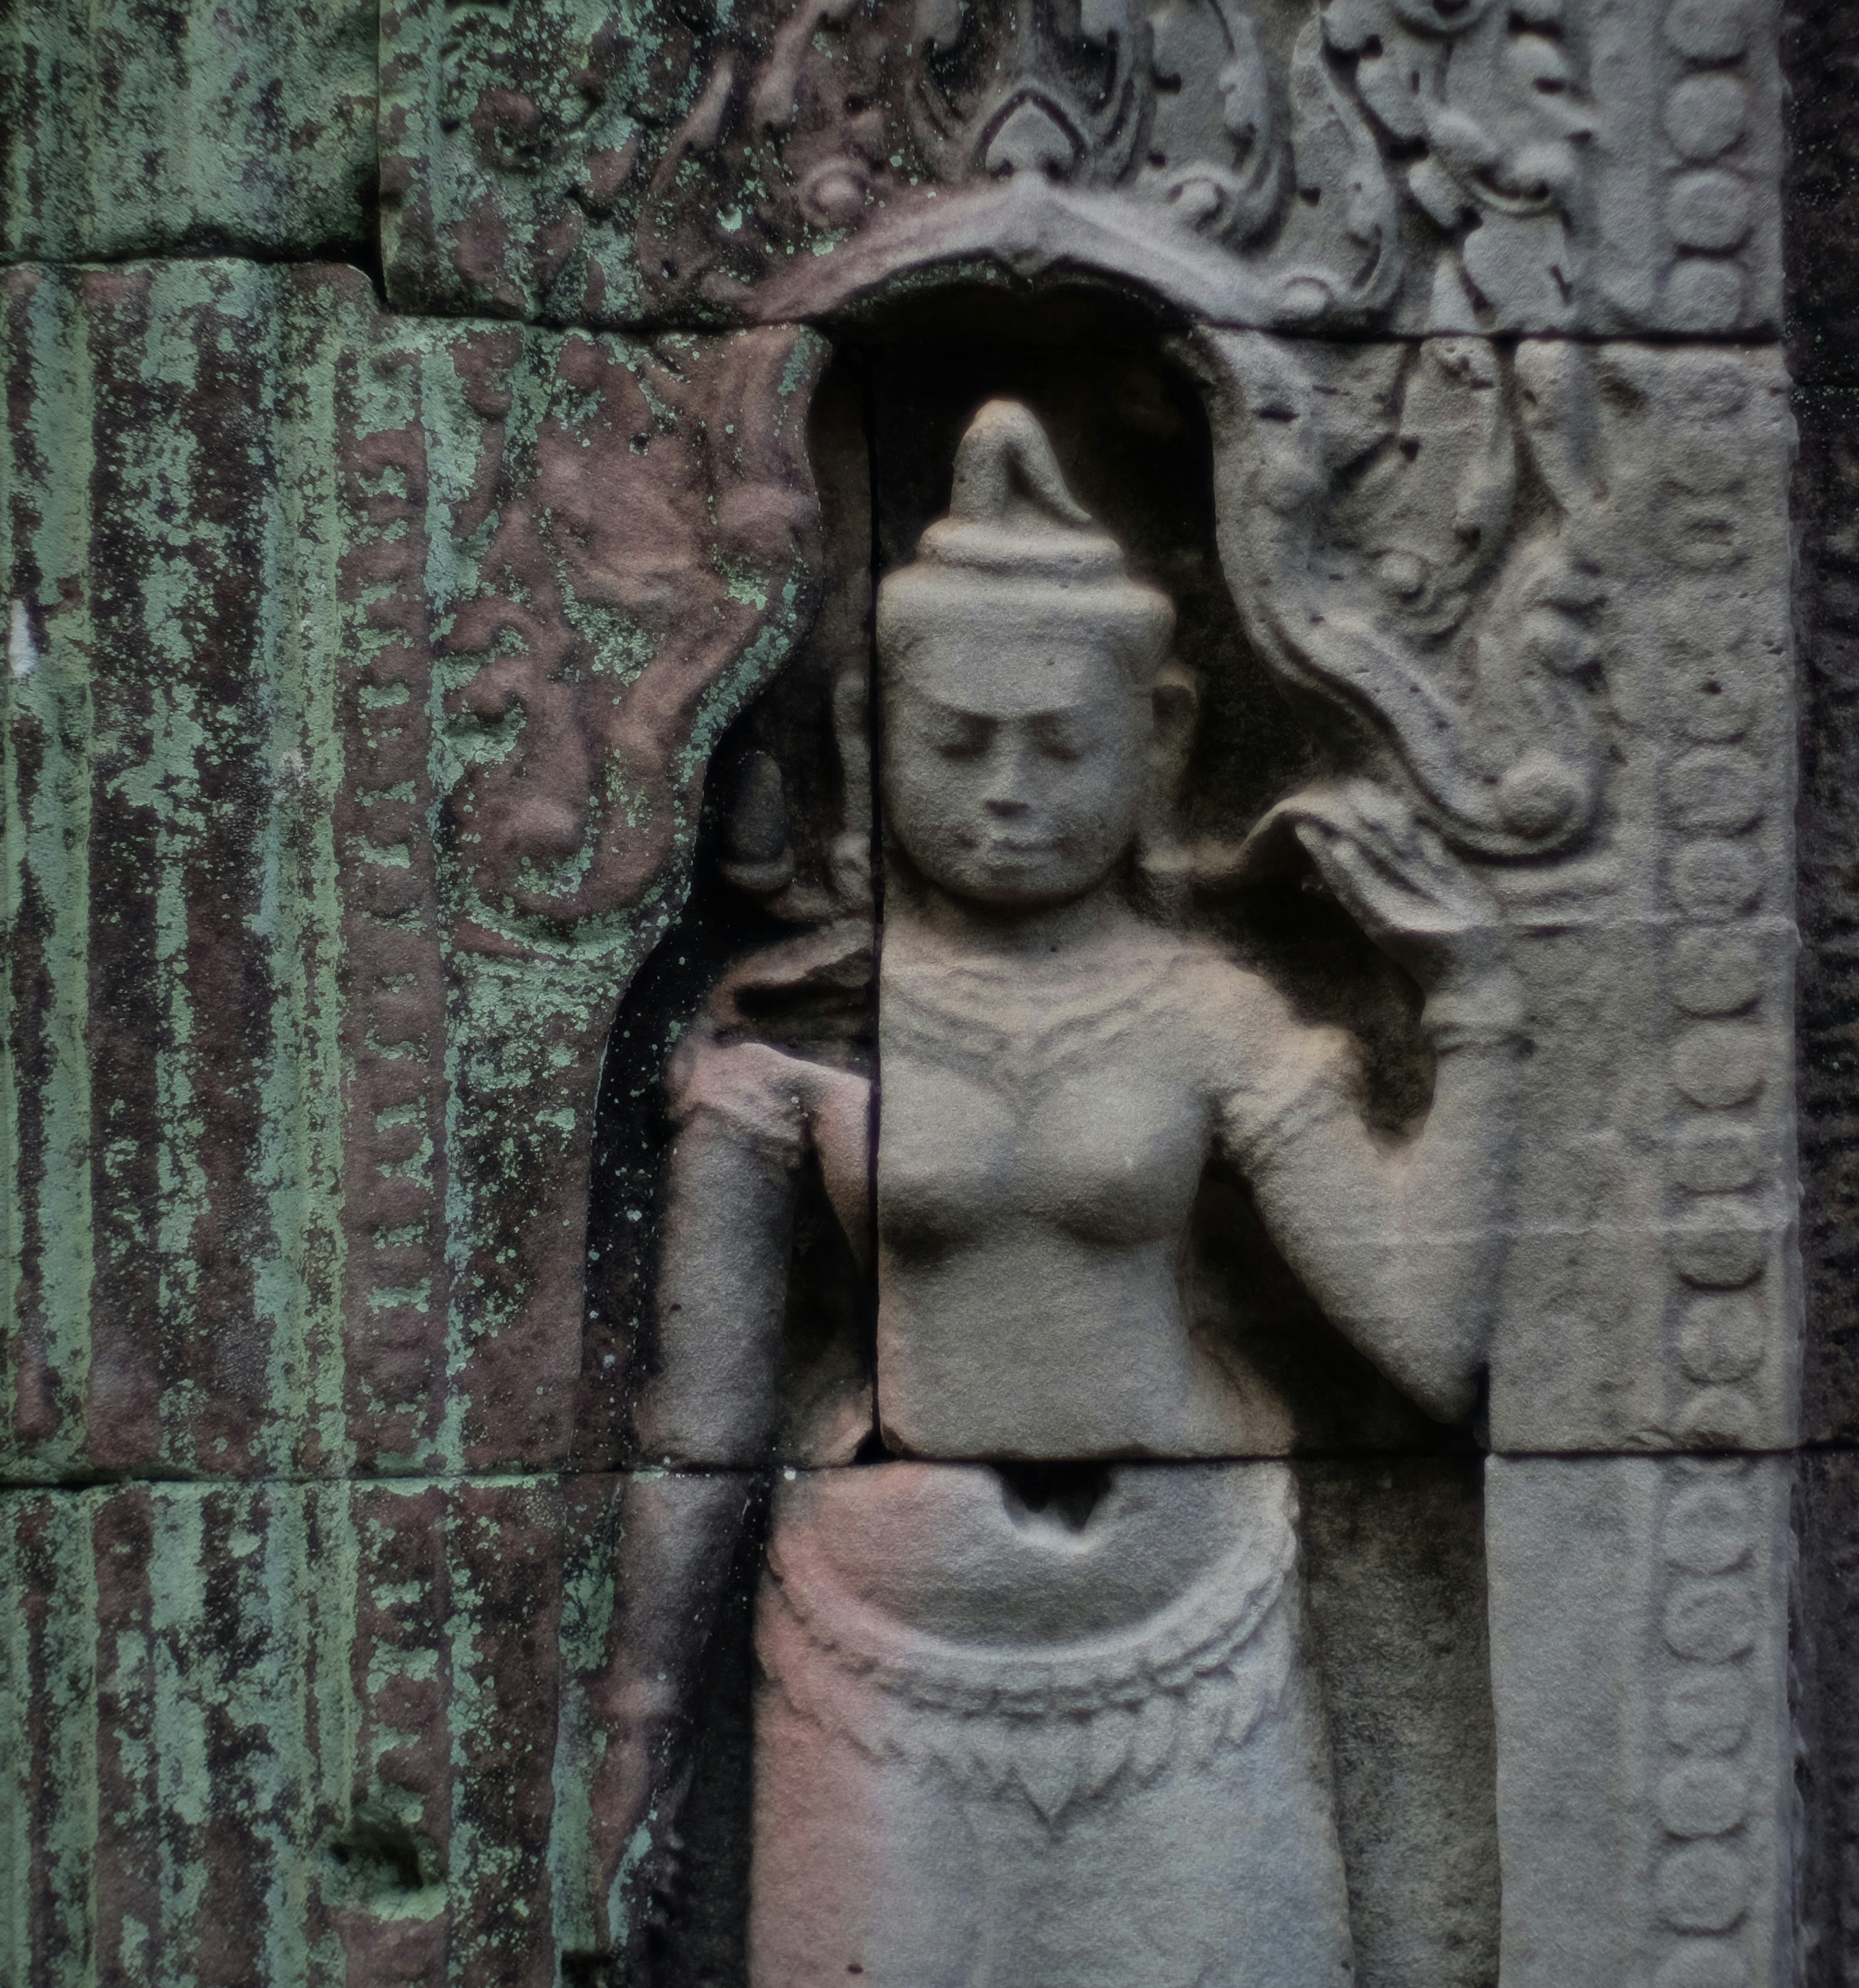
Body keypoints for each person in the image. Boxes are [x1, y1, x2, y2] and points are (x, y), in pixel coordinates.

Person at [583, 399, 1520, 1986]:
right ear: (871, 734)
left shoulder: (1206, 1016)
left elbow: (1427, 1334)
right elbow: (708, 1419)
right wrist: (642, 1709)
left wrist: (1478, 1008)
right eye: (956, 743)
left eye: (1062, 744)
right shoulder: (798, 1025)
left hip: (1191, 1622)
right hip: (876, 1636)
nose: (1007, 788)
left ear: (1158, 736)